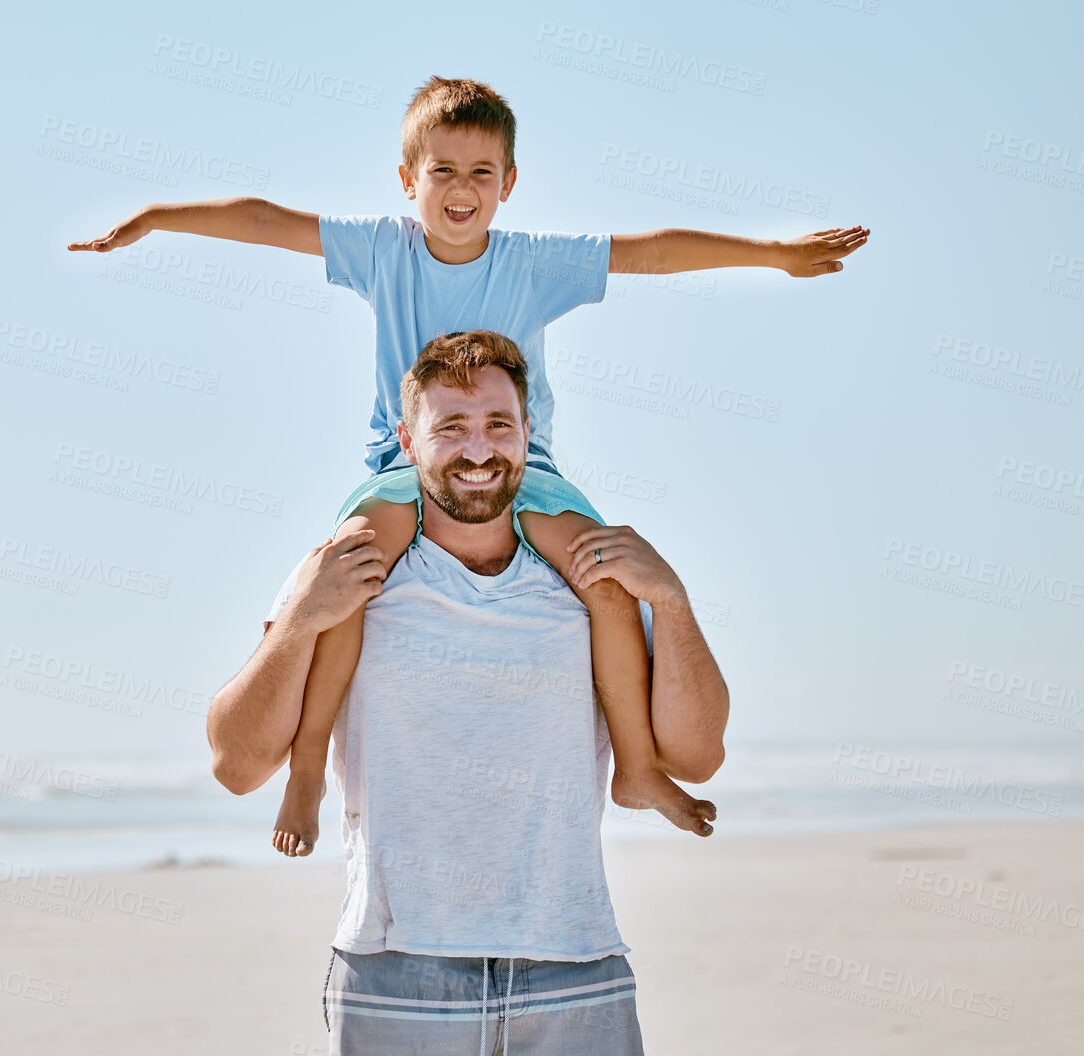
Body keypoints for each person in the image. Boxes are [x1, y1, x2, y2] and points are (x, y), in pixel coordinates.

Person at [70, 76, 864, 855]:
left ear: (508, 182)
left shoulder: (530, 262)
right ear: (407, 179)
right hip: (401, 464)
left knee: (605, 581)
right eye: (441, 170)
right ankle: (307, 764)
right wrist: (153, 218)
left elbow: (651, 251)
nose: (461, 189)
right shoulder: (382, 250)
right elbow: (261, 218)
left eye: (481, 171)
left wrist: (773, 256)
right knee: (349, 575)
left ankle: (635, 766)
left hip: (530, 471)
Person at [205, 331, 728, 1054]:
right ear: (408, 443)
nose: (478, 450)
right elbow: (234, 767)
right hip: (395, 970)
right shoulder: (348, 567)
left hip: (573, 963)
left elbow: (698, 759)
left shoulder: (587, 570)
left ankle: (633, 776)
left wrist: (669, 599)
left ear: (525, 434)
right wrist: (299, 619)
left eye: (497, 426)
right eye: (450, 427)